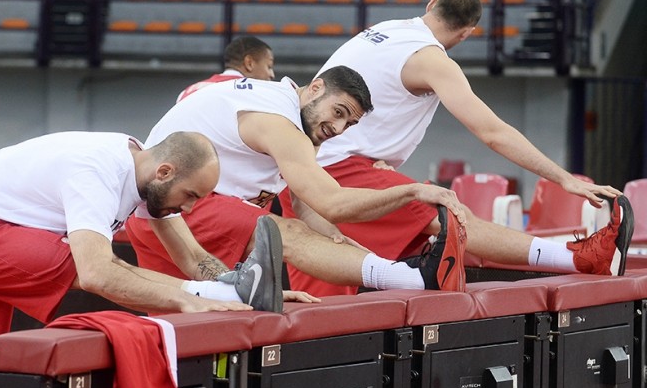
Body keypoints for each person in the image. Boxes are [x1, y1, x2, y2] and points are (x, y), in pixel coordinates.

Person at [278, 0, 634, 297]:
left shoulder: (386, 28)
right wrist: (564, 178)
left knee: (324, 298)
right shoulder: (433, 60)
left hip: (304, 165)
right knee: (449, 216)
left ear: (432, 4)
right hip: (338, 169)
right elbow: (493, 133)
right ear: (467, 34)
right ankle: (580, 258)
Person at [0, 131, 290, 388]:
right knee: (95, 264)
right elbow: (97, 274)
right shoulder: (97, 172)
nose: (190, 208)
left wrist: (237, 288)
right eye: (190, 196)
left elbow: (192, 257)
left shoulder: (145, 169)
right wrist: (192, 299)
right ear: (165, 172)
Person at [127, 66, 472, 301]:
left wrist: (338, 241)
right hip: (179, 201)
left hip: (160, 216)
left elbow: (306, 205)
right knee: (281, 234)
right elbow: (332, 201)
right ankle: (417, 278)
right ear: (316, 88)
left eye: (349, 124)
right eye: (338, 112)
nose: (338, 129)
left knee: (187, 329)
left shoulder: (294, 117)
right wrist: (412, 191)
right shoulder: (280, 122)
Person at [175, 36, 275, 102]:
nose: (272, 75)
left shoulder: (187, 92)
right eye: (269, 67)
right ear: (249, 63)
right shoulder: (250, 94)